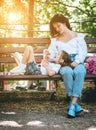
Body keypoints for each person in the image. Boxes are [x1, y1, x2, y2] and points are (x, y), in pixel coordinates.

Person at [45, 13, 87, 118]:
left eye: (59, 26)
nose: (57, 29)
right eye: (55, 28)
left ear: (64, 22)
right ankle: (74, 105)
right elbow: (51, 56)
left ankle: (72, 104)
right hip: (63, 64)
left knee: (80, 71)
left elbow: (83, 52)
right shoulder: (55, 40)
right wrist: (50, 55)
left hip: (77, 61)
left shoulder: (78, 36)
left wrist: (77, 61)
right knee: (67, 72)